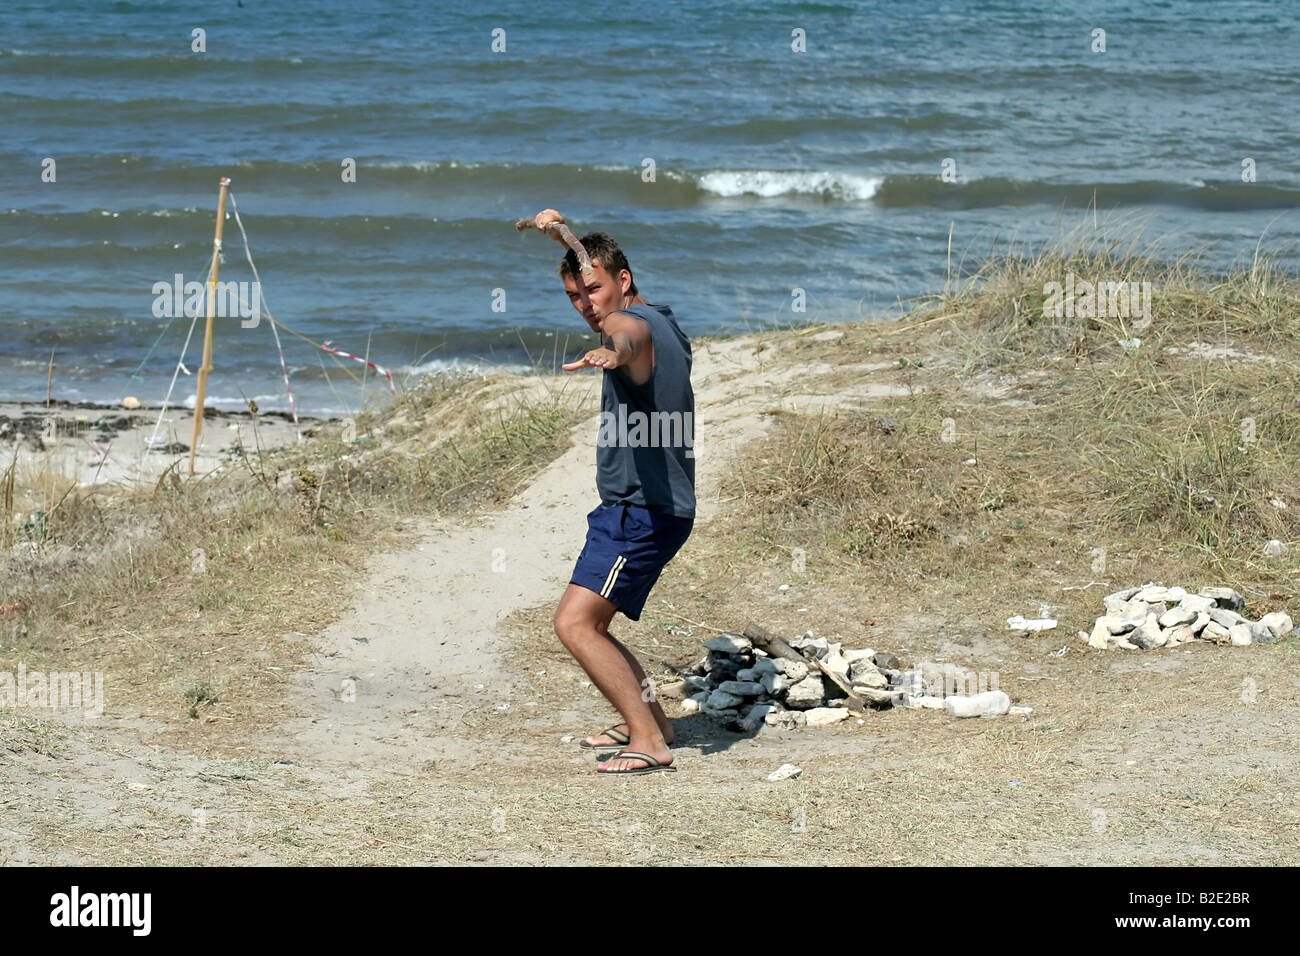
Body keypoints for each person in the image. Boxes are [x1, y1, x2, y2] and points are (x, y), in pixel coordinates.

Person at [534, 208, 696, 775]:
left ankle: (650, 741)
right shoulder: (665, 318)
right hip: (646, 507)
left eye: (594, 290)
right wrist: (566, 234)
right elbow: (622, 310)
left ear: (622, 282)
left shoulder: (633, 327)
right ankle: (654, 721)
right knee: (593, 623)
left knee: (575, 623)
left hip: (641, 512)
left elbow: (629, 336)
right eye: (575, 297)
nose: (586, 305)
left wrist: (614, 349)